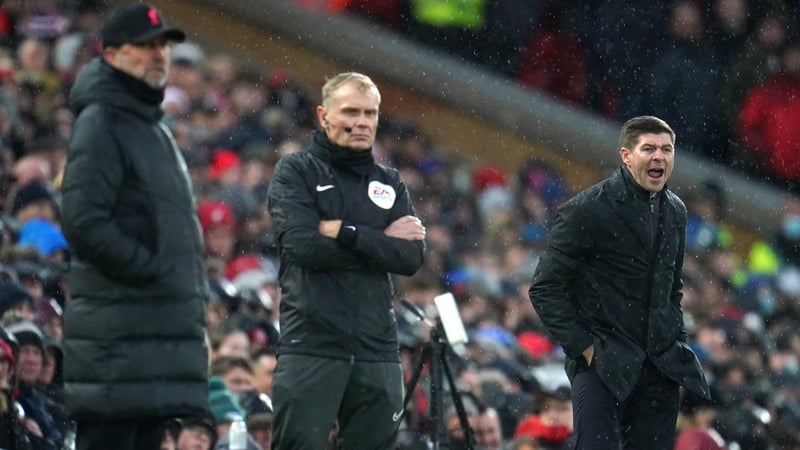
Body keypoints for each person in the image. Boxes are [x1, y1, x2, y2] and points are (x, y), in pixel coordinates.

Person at [59, 4, 209, 450]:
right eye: (146, 47)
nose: (159, 55)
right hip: (119, 341)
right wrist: (151, 270)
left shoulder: (147, 124)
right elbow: (84, 221)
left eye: (163, 45)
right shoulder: (102, 121)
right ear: (112, 55)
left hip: (146, 338)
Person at [529, 116, 710, 449]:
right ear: (626, 156)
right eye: (649, 149)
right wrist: (585, 348)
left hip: (658, 367)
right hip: (602, 364)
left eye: (666, 149)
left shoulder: (676, 211)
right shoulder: (586, 210)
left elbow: (671, 289)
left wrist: (673, 341)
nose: (659, 157)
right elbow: (545, 288)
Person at [267, 72, 426, 449]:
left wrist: (346, 233)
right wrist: (379, 244)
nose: (361, 122)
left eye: (370, 114)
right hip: (312, 342)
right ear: (323, 115)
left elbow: (410, 257)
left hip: (377, 348)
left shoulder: (389, 181)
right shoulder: (296, 171)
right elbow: (303, 246)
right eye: (350, 112)